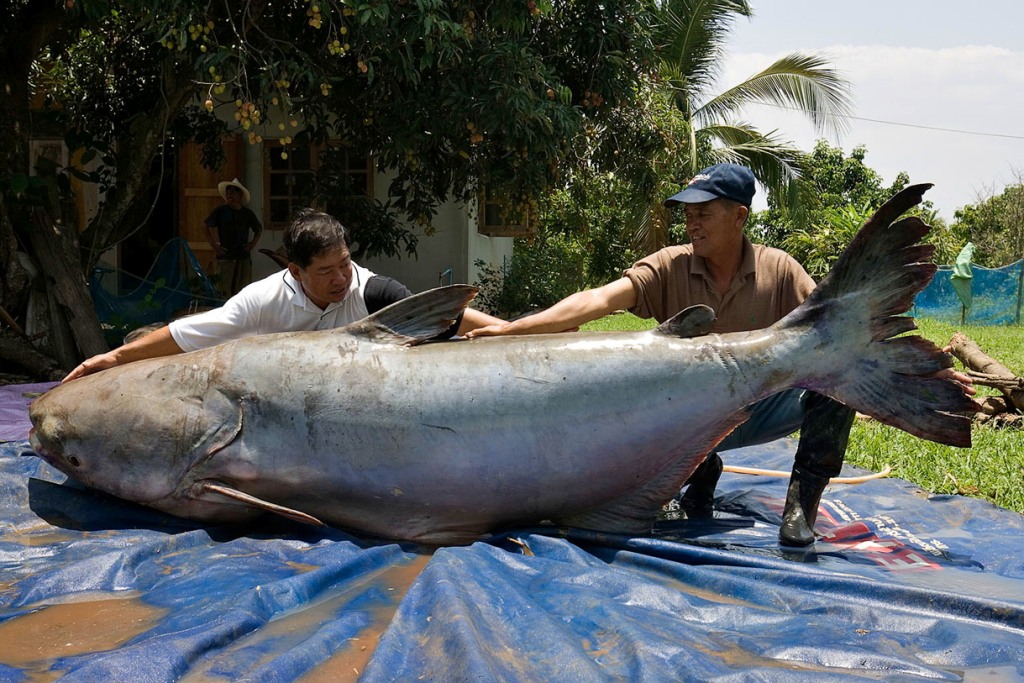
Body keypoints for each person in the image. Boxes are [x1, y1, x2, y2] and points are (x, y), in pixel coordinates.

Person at [467, 163, 973, 547]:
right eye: (688, 214)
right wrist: (513, 329)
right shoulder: (669, 266)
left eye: (703, 213)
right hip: (681, 419)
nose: (692, 224)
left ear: (739, 216)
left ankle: (802, 505)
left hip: (761, 407)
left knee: (831, 375)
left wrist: (918, 374)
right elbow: (596, 301)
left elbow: (839, 338)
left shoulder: (780, 269)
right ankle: (696, 470)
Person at [64, 209, 503, 383]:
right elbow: (186, 335)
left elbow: (448, 317)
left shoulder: (372, 291)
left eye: (345, 263)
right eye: (326, 271)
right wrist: (116, 360)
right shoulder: (260, 302)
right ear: (294, 271)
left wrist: (514, 331)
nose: (341, 278)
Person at [206, 178, 263, 296]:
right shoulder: (221, 211)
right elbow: (206, 226)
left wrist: (252, 244)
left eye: (233, 191)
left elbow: (258, 229)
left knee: (242, 291)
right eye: (228, 191)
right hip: (226, 256)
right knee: (224, 290)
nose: (230, 194)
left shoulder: (247, 213)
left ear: (240, 195)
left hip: (242, 256)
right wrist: (214, 245)